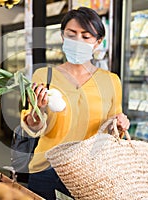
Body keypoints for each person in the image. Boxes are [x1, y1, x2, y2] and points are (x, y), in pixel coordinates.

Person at [20, 7, 130, 200]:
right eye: (71, 35)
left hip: (91, 172)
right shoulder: (44, 75)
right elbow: (34, 127)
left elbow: (113, 131)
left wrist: (121, 124)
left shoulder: (111, 81)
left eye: (86, 36)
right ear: (63, 37)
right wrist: (38, 112)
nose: (78, 41)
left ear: (98, 43)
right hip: (46, 169)